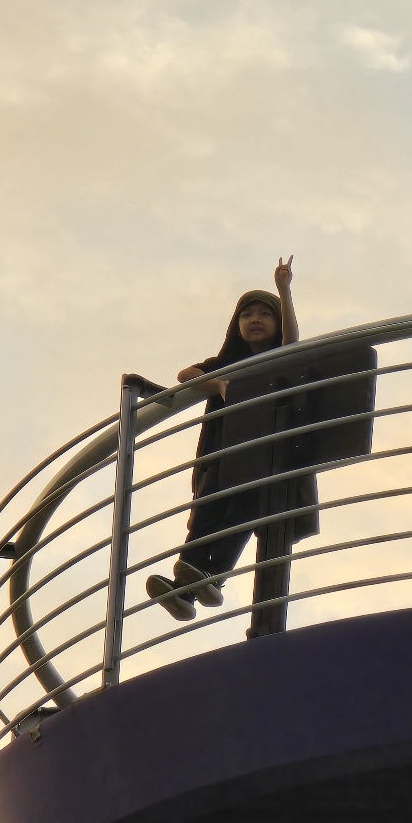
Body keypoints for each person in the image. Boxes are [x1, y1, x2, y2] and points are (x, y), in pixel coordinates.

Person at [145, 257, 305, 621]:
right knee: (206, 513)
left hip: (259, 458)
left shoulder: (279, 359)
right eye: (247, 315)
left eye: (265, 314)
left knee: (240, 512)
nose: (255, 320)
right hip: (221, 453)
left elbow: (292, 344)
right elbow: (186, 374)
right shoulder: (227, 363)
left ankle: (214, 578)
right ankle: (184, 590)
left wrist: (283, 289)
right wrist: (218, 384)